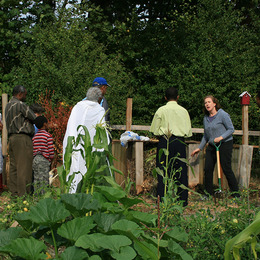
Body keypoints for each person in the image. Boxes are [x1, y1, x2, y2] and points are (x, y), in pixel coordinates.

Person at [150, 87, 192, 206]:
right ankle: (182, 201)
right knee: (181, 171)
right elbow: (188, 132)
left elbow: (154, 130)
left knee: (163, 171)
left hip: (165, 141)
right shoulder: (184, 111)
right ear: (178, 97)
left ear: (165, 98)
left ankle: (162, 200)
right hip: (179, 141)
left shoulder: (161, 110)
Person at [191, 95, 240, 198]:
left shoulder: (223, 115)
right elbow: (206, 135)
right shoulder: (206, 118)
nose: (207, 104)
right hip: (212, 145)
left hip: (225, 143)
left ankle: (236, 194)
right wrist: (199, 148)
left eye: (209, 102)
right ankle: (208, 194)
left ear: (214, 104)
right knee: (208, 169)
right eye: (205, 103)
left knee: (226, 168)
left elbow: (231, 129)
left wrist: (221, 137)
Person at [63, 87, 110, 193]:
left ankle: (71, 194)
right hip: (91, 147)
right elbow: (102, 130)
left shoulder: (77, 106)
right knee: (89, 170)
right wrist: (106, 146)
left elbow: (71, 125)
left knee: (74, 169)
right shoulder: (99, 109)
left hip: (73, 144)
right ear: (99, 98)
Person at [5, 85, 36, 196]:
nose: (25, 96)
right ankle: (23, 195)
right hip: (22, 138)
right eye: (25, 94)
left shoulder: (8, 105)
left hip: (12, 138)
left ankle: (14, 194)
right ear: (20, 94)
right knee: (24, 168)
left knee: (14, 168)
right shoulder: (20, 105)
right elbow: (33, 117)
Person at [32, 116, 54, 194]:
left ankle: (36, 195)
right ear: (45, 124)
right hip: (43, 160)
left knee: (36, 179)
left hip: (35, 159)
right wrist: (51, 158)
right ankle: (43, 196)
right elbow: (50, 150)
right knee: (44, 180)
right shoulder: (48, 136)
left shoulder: (34, 137)